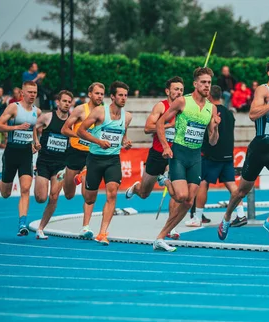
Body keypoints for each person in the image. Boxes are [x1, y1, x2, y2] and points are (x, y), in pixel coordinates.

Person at [217, 57, 269, 242]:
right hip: (259, 148)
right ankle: (227, 217)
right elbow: (252, 114)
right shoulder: (262, 90)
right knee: (241, 191)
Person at [152, 67, 220, 252]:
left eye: (209, 83)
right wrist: (166, 146)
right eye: (204, 82)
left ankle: (160, 237)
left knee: (189, 201)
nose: (207, 86)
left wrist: (214, 128)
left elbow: (213, 141)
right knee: (181, 196)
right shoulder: (183, 101)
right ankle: (165, 180)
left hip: (196, 156)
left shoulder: (211, 108)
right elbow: (160, 122)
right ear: (195, 84)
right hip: (179, 153)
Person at [125, 76, 183, 239]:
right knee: (144, 193)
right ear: (167, 91)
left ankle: (170, 228)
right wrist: (168, 125)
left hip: (176, 155)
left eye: (181, 90)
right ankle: (137, 187)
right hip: (157, 154)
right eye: (176, 89)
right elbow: (147, 128)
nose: (179, 92)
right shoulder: (161, 106)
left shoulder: (184, 108)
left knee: (177, 192)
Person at [76, 81, 133, 245]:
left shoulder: (127, 117)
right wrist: (98, 141)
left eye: (125, 95)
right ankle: (84, 174)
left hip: (113, 160)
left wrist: (126, 143)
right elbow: (80, 131)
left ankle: (102, 233)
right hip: (95, 158)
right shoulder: (100, 112)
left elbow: (122, 136)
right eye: (120, 95)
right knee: (89, 198)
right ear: (113, 97)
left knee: (112, 192)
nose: (123, 98)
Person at [187, 85, 246, 227]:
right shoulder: (229, 113)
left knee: (203, 183)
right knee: (231, 184)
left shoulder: (209, 111)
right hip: (227, 154)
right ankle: (241, 214)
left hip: (211, 154)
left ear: (209, 96)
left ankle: (198, 217)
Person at [0, 81, 41, 235]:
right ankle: (1, 178)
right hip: (11, 152)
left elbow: (32, 128)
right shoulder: (14, 108)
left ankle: (22, 224)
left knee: (25, 189)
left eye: (35, 92)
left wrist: (35, 142)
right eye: (30, 92)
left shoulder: (37, 111)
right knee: (5, 194)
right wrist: (16, 127)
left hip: (26, 154)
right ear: (22, 93)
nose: (32, 95)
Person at [60, 82, 105, 239]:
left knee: (89, 193)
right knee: (69, 194)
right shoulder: (80, 110)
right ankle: (65, 175)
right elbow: (64, 129)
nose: (99, 96)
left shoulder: (104, 112)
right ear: (90, 94)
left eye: (102, 94)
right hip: (75, 153)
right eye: (97, 93)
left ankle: (85, 227)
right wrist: (80, 135)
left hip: (92, 155)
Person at [32, 90, 73, 239]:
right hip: (44, 162)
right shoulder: (48, 117)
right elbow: (33, 126)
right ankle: (34, 173)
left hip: (61, 165)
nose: (67, 104)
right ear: (58, 102)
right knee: (40, 198)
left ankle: (41, 228)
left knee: (54, 196)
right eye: (64, 101)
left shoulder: (72, 122)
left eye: (69, 102)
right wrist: (35, 141)